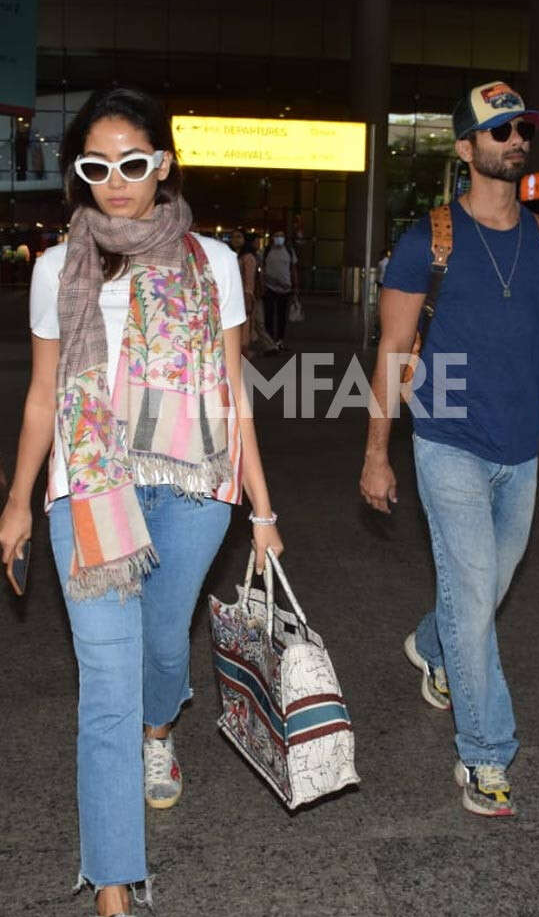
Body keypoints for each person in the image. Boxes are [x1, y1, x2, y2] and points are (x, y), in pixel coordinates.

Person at [0, 87, 283, 917]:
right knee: (106, 685)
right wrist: (17, 501)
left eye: (133, 163)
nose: (116, 180)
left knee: (164, 652)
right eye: (96, 166)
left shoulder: (214, 262)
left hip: (193, 491)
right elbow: (43, 395)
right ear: (78, 172)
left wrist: (262, 512)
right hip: (88, 489)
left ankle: (164, 731)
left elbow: (234, 393)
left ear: (162, 163)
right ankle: (115, 884)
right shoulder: (58, 267)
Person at [360, 80, 539, 818]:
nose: (516, 141)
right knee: (475, 594)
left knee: (479, 595)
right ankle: (486, 754)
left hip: (522, 449)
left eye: (522, 129)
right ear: (466, 149)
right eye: (500, 133)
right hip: (446, 439)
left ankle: (432, 646)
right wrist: (377, 450)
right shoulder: (426, 238)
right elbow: (395, 350)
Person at [231, 228, 277, 357]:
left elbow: (250, 279)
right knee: (251, 323)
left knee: (251, 323)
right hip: (235, 295)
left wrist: (248, 296)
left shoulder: (248, 257)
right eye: (234, 237)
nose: (236, 239)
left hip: (246, 296)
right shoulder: (233, 255)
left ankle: (253, 348)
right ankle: (266, 346)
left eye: (239, 237)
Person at [262, 229, 298, 348]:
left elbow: (293, 269)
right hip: (269, 287)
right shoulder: (267, 250)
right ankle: (270, 341)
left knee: (282, 316)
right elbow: (262, 268)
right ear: (272, 237)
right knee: (269, 315)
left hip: (285, 288)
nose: (278, 237)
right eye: (276, 235)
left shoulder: (289, 251)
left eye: (281, 235)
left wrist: (295, 286)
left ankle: (280, 340)